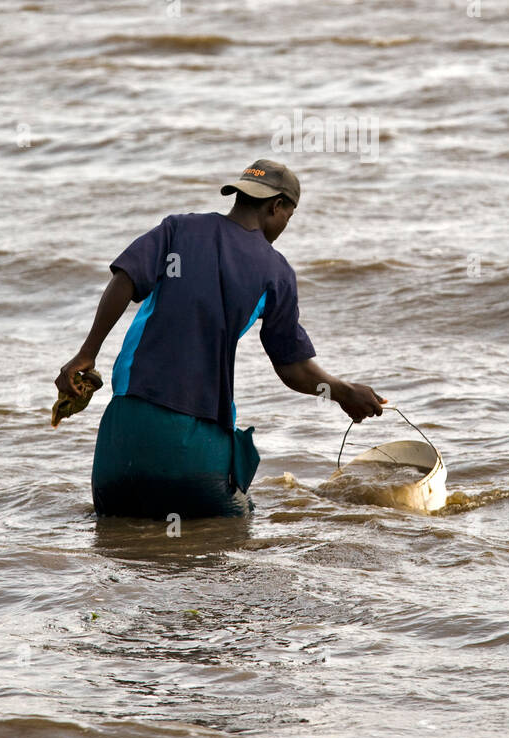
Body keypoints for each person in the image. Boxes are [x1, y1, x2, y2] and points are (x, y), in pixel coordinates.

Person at [55, 159, 385, 519]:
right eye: (288, 217)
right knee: (234, 531)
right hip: (195, 453)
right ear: (277, 207)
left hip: (121, 447)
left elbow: (126, 278)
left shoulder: (177, 229)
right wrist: (343, 391)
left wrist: (86, 354)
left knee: (119, 544)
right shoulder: (275, 272)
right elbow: (293, 367)